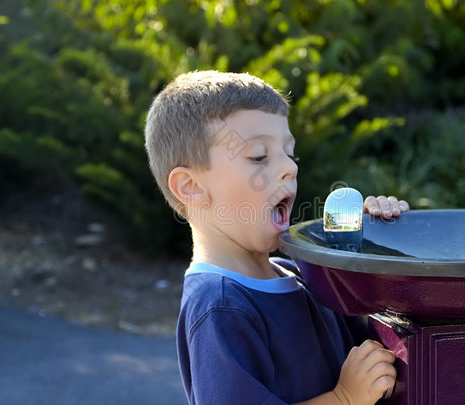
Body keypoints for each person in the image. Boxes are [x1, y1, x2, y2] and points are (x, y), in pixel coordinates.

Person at [144, 71, 410, 405]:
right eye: (258, 156)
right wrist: (344, 398)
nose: (290, 168)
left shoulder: (301, 274)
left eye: (290, 154)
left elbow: (379, 349)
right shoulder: (220, 307)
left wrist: (374, 247)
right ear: (191, 187)